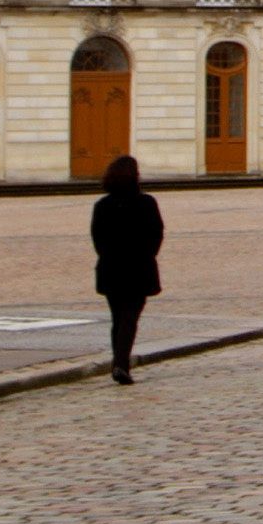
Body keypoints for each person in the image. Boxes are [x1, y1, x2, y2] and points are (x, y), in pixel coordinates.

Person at [89, 151, 164, 383]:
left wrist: (108, 256)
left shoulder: (102, 205)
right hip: (138, 269)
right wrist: (146, 256)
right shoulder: (146, 202)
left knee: (118, 319)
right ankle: (121, 365)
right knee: (129, 318)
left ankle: (118, 362)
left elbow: (97, 237)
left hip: (110, 269)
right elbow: (156, 234)